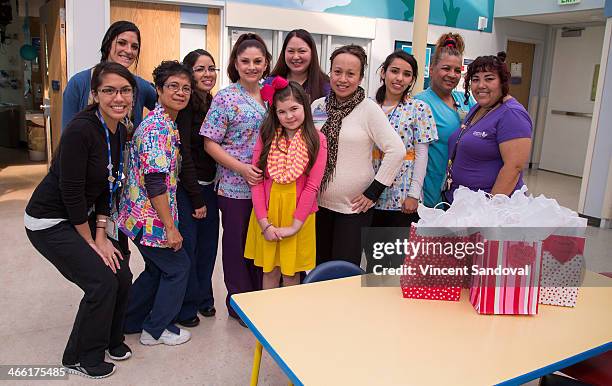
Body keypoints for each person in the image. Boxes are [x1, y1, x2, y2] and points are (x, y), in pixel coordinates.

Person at [25, 62, 135, 378]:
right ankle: (80, 356)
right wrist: (91, 243)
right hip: (49, 221)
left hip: (82, 217)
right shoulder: (80, 130)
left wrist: (102, 234)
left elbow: (106, 183)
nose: (118, 97)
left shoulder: (119, 128)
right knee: (100, 281)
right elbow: (71, 194)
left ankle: (111, 340)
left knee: (121, 273)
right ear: (95, 94)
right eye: (109, 90)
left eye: (125, 90)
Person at [119, 61, 192, 346]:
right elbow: (155, 183)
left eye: (185, 88)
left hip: (141, 216)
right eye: (173, 86)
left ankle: (129, 320)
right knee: (177, 267)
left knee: (156, 269)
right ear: (158, 90)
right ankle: (156, 329)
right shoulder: (157, 129)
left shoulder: (166, 123)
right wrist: (171, 228)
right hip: (148, 218)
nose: (181, 92)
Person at [200, 33, 271, 327]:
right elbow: (210, 143)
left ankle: (259, 298)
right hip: (234, 186)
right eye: (245, 61)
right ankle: (239, 303)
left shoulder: (271, 94)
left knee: (260, 244)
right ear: (235, 64)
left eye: (258, 61)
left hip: (267, 185)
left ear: (266, 63)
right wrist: (241, 168)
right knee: (236, 245)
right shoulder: (226, 97)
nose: (252, 66)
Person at [311, 44, 404, 267]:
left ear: (361, 77)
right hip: (317, 204)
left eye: (351, 74)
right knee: (318, 267)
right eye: (337, 71)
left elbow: (396, 150)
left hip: (353, 209)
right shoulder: (317, 106)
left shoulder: (369, 109)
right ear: (330, 72)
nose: (342, 79)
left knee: (342, 272)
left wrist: (373, 192)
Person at [244, 77, 327, 289]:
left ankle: (288, 320)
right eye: (282, 112)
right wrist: (265, 224)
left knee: (291, 275)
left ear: (305, 107)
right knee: (270, 271)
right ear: (275, 113)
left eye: (294, 109)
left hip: (299, 215)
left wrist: (294, 227)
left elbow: (312, 187)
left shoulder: (317, 139)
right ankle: (266, 320)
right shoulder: (267, 136)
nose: (289, 116)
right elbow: (256, 182)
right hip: (268, 212)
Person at [443, 52, 532, 202]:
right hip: (462, 203)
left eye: (489, 79)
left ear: (502, 82)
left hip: (487, 209)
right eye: (475, 79)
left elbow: (514, 167)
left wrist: (489, 210)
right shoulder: (479, 107)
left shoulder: (512, 113)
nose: (481, 85)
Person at [174, 49, 219, 328]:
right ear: (189, 73)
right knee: (189, 249)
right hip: (189, 189)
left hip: (210, 187)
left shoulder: (212, 101)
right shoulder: (186, 105)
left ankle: (204, 298)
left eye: (211, 68)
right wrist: (195, 197)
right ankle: (187, 305)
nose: (207, 74)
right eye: (200, 69)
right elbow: (185, 155)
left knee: (208, 248)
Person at [372, 50, 437, 226]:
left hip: (402, 198)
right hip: (369, 195)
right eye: (394, 71)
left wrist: (414, 194)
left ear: (412, 79)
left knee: (394, 253)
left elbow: (422, 156)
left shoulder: (419, 109)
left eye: (406, 74)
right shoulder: (369, 106)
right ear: (383, 72)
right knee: (373, 251)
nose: (399, 78)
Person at [414, 32, 475, 207]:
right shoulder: (420, 102)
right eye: (446, 68)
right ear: (431, 70)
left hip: (463, 188)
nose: (452, 74)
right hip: (431, 188)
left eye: (457, 70)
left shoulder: (466, 100)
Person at [62, 20, 157, 132]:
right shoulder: (79, 83)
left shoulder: (140, 85)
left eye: (135, 47)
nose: (128, 50)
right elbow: (68, 134)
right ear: (108, 44)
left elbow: (167, 110)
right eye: (122, 43)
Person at [269, 29, 330, 101]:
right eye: (291, 51)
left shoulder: (326, 86)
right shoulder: (270, 82)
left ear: (312, 53)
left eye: (302, 51)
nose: (295, 57)